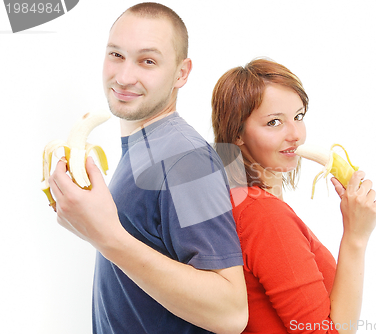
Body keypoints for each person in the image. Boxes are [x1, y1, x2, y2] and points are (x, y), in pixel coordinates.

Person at [48, 3, 248, 334]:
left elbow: (231, 312)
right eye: (116, 55)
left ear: (181, 73)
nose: (124, 77)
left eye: (148, 61)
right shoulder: (146, 147)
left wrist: (106, 236)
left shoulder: (185, 158)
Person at [211, 58, 376, 333]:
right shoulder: (263, 214)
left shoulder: (237, 202)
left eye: (299, 116)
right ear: (238, 134)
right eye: (274, 122)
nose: (295, 134)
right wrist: (356, 236)